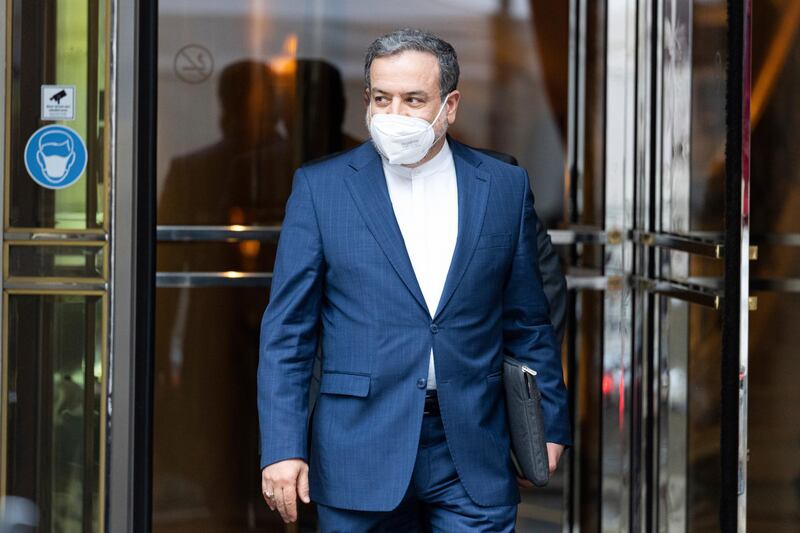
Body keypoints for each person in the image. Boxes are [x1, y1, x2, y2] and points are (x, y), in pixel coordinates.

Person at [258, 29, 571, 531]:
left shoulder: (503, 187)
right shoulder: (321, 189)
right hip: (358, 447)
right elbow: (287, 334)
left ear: (449, 106)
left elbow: (528, 321)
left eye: (413, 99)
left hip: (472, 443)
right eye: (382, 99)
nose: (394, 115)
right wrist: (282, 448)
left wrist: (549, 423)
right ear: (366, 100)